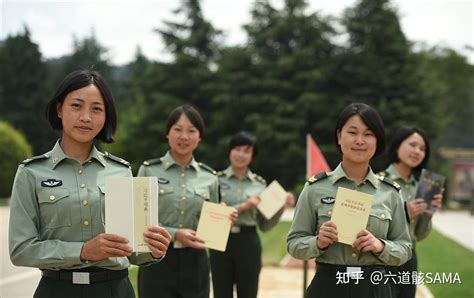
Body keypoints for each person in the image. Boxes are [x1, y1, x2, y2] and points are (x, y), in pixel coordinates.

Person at [8, 69, 171, 298]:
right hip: (56, 290)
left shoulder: (121, 170)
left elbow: (132, 252)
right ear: (59, 109)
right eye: (76, 106)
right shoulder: (31, 173)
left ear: (106, 116)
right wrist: (83, 251)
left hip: (115, 290)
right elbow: (21, 249)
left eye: (96, 109)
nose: (86, 117)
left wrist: (154, 250)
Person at [287, 102, 412, 298]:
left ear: (377, 140)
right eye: (352, 132)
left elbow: (405, 249)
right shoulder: (315, 188)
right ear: (339, 136)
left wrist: (380, 246)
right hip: (328, 287)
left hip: (374, 288)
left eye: (368, 134)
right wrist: (318, 242)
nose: (360, 141)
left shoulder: (391, 192)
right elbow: (294, 244)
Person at [137, 104, 236, 298]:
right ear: (167, 133)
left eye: (191, 131)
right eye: (178, 130)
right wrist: (175, 234)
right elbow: (139, 220)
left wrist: (224, 221)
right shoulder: (148, 170)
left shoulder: (210, 177)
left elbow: (211, 229)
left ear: (199, 137)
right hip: (156, 259)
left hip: (196, 263)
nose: (184, 137)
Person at [209, 131, 294, 298]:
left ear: (252, 156)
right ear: (230, 151)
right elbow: (210, 218)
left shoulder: (260, 184)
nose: (241, 155)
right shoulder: (216, 181)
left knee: (248, 292)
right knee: (221, 292)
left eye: (246, 151)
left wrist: (281, 208)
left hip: (248, 243)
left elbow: (265, 225)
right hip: (221, 241)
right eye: (237, 149)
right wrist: (243, 206)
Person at [381, 126, 443, 298]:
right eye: (413, 145)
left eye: (422, 149)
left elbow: (419, 235)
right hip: (381, 257)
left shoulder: (423, 186)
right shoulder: (378, 182)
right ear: (398, 145)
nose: (417, 151)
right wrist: (404, 213)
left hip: (409, 257)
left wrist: (428, 215)